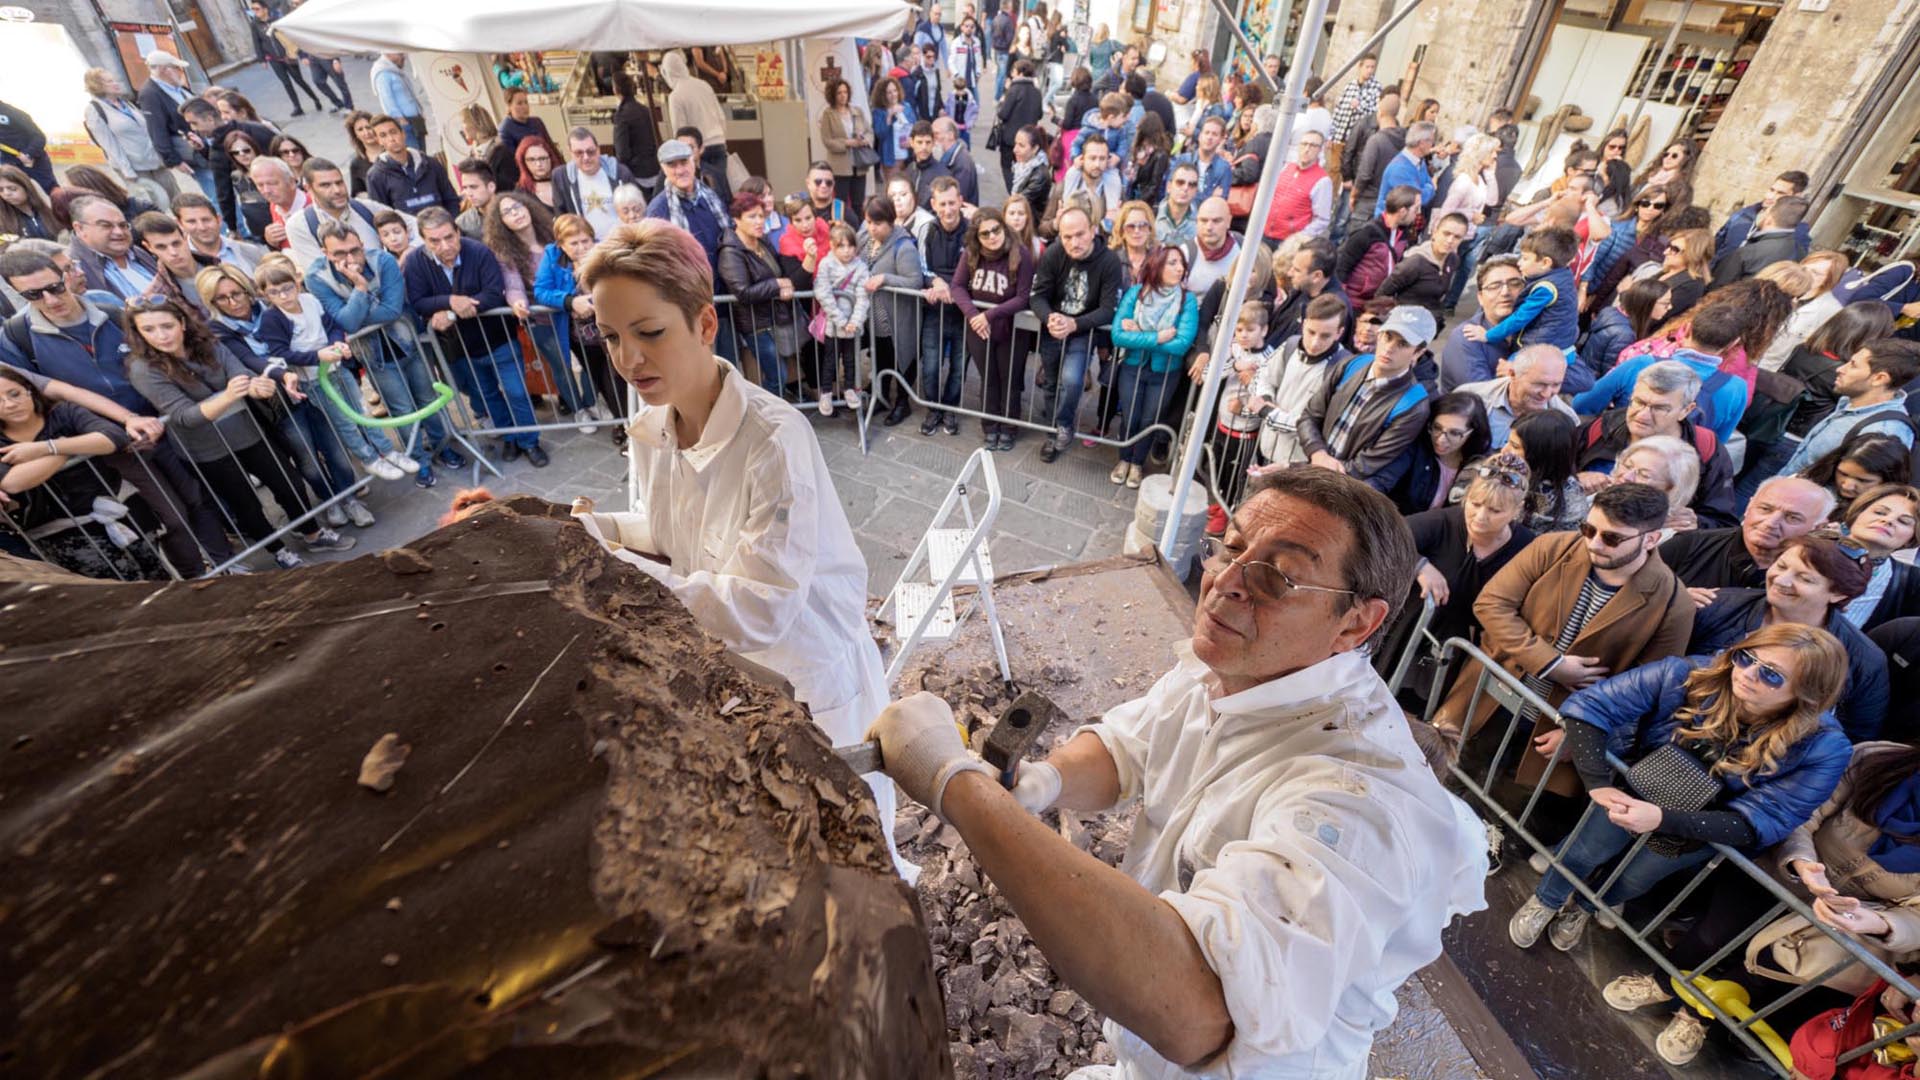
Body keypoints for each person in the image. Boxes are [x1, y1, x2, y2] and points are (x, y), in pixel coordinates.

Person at [866, 464, 1488, 1074]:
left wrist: (959, 789)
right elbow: (1128, 747)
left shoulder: (1357, 801)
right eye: (1232, 547)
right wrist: (1045, 782)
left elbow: (1201, 1010)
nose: (1227, 582)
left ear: (1356, 622)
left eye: (1279, 575)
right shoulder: (1236, 663)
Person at [569, 218, 912, 879]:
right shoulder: (649, 424)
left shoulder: (774, 441)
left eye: (649, 333)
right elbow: (665, 534)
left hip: (809, 680)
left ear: (704, 325)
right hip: (732, 679)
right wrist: (595, 530)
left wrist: (609, 564)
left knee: (847, 847)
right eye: (611, 337)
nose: (628, 360)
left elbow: (760, 608)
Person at [1508, 622, 1850, 974]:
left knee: (1633, 880)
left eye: (1772, 676)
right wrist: (1597, 783)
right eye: (1746, 658)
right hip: (1637, 790)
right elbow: (1593, 705)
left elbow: (1764, 821)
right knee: (1583, 851)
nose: (1747, 674)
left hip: (1699, 831)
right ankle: (1545, 901)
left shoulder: (1824, 747)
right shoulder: (1689, 673)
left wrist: (1661, 819)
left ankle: (1583, 907)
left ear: (1807, 694)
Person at [1437, 481, 1693, 781]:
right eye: (1589, 529)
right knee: (1438, 777)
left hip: (1554, 732)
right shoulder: (1553, 546)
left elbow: (1646, 690)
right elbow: (1492, 603)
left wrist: (1582, 735)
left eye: (1611, 538)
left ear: (1651, 539)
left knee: (1498, 816)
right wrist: (1551, 663)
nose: (1594, 543)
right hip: (1488, 698)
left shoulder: (1674, 604)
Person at [123, 293, 352, 568]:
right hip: (206, 449)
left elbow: (240, 373)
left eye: (167, 326)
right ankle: (278, 550)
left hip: (247, 431)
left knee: (287, 482)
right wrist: (232, 395)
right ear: (138, 333)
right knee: (246, 504)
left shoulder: (210, 344)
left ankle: (311, 532)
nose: (161, 336)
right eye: (148, 329)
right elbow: (185, 416)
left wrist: (258, 387)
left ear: (182, 323)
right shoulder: (143, 369)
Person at [1687, 533, 1888, 741]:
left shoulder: (1864, 659)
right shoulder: (1718, 605)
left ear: (1838, 594)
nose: (1781, 580)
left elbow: (1853, 736)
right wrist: (1675, 605)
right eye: (1781, 566)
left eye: (1804, 578)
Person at [304, 221, 462, 483]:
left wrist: (354, 310)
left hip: (408, 340)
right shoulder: (316, 278)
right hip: (373, 354)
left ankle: (443, 446)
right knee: (401, 409)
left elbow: (391, 310)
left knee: (427, 398)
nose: (350, 259)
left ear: (363, 246)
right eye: (340, 254)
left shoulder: (384, 261)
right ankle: (418, 459)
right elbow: (346, 323)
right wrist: (361, 288)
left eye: (355, 250)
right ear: (325, 253)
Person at [402, 207, 547, 466]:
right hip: (461, 348)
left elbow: (493, 294)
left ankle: (530, 442)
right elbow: (418, 301)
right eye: (434, 241)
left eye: (449, 237)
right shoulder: (415, 262)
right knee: (488, 395)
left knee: (516, 392)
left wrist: (453, 313)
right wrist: (450, 301)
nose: (445, 245)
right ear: (424, 241)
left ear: (458, 232)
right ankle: (509, 439)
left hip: (498, 338)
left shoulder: (478, 251)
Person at [0, 367, 169, 580]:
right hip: (62, 534)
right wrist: (69, 448)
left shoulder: (65, 412)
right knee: (117, 592)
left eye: (14, 394)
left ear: (29, 390)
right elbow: (12, 482)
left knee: (159, 577)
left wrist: (47, 448)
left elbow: (113, 437)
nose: (9, 404)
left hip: (121, 509)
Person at [1576, 360, 1737, 527]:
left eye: (1659, 408)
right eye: (1639, 402)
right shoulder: (1598, 430)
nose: (1643, 415)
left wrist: (1697, 523)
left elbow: (1724, 522)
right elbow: (1551, 483)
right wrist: (1574, 482)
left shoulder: (1707, 450)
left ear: (1686, 410)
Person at [1294, 305, 1435, 490]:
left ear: (1418, 353)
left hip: (1343, 489)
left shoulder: (1413, 404)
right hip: (1313, 468)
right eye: (1388, 337)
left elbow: (1367, 464)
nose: (1389, 348)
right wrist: (1317, 453)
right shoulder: (1352, 364)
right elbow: (1310, 415)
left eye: (1403, 344)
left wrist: (1318, 472)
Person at [1571, 300, 1753, 444]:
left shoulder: (1642, 364)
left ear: (1687, 328)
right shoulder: (1736, 389)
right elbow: (1714, 442)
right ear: (1732, 345)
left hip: (1613, 454)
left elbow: (1582, 404)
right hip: (1665, 476)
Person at [1407, 454, 1537, 648]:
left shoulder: (1528, 548)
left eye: (1495, 511)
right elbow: (1386, 536)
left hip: (1467, 651)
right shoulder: (1444, 522)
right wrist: (1420, 565)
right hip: (1409, 636)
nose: (1480, 517)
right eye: (1475, 504)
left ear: (1517, 511)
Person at [1031, 205, 1124, 464]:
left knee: (1072, 380)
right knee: (1049, 381)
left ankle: (1063, 424)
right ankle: (1054, 430)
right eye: (1067, 236)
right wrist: (1049, 317)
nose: (1074, 242)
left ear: (1093, 230)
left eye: (1080, 234)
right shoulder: (1053, 253)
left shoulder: (1109, 261)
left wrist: (1075, 324)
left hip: (1083, 330)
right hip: (1053, 327)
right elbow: (1037, 295)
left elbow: (1108, 309)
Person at [1107, 245, 1199, 487]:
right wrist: (1157, 337)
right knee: (1130, 416)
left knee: (1150, 419)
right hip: (1132, 366)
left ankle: (1137, 463)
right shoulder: (1136, 293)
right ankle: (1124, 459)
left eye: (1181, 263)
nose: (1180, 268)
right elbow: (1117, 335)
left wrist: (1141, 334)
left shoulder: (1187, 301)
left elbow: (1181, 344)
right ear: (1157, 265)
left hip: (1165, 372)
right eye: (1172, 262)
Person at [532, 213, 627, 442]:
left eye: (585, 241)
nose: (581, 247)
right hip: (580, 336)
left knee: (618, 378)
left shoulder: (603, 252)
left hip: (610, 330)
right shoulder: (552, 256)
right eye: (574, 243)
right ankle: (621, 423)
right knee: (599, 379)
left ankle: (630, 422)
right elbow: (541, 291)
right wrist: (569, 301)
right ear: (561, 244)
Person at [949, 207, 1034, 450]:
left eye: (995, 229)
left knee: (1009, 378)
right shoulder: (971, 254)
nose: (992, 236)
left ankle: (1008, 427)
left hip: (1011, 329)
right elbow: (957, 286)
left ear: (1003, 227)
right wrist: (974, 315)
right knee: (988, 378)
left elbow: (1023, 296)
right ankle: (990, 426)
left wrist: (989, 314)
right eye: (984, 233)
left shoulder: (1021, 254)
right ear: (977, 237)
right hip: (979, 328)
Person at [1664, 474, 1834, 594]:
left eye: (1792, 517)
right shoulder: (1690, 545)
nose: (1770, 523)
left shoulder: (1814, 581)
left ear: (1817, 528)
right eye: (1765, 509)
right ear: (1748, 506)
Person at [1781, 338, 1920, 477]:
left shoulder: (1882, 432)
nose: (1840, 369)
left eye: (1853, 365)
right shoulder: (1850, 403)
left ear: (1879, 378)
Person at [715, 191, 794, 395]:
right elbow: (743, 292)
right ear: (736, 220)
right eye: (752, 216)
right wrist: (776, 285)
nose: (759, 221)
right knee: (778, 376)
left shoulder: (763, 241)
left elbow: (779, 269)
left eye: (761, 216)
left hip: (775, 317)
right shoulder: (730, 251)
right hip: (755, 325)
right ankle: (763, 414)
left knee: (781, 374)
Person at [859, 195, 924, 428]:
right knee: (879, 357)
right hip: (873, 317)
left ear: (890, 221)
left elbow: (915, 281)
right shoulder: (864, 238)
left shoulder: (904, 246)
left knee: (900, 360)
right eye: (868, 222)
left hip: (897, 318)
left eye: (877, 223)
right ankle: (881, 396)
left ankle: (902, 403)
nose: (871, 228)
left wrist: (885, 278)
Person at [1463, 226, 1579, 354]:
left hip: (1541, 350)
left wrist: (1488, 335)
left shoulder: (1545, 288)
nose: (1519, 263)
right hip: (1564, 344)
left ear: (1545, 263)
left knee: (1511, 367)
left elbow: (1519, 318)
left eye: (1525, 258)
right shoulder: (1563, 275)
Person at [913, 178, 970, 435]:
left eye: (952, 202)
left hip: (963, 310)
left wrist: (951, 287)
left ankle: (950, 409)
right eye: (942, 204)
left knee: (959, 365)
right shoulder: (928, 230)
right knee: (931, 365)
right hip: (935, 310)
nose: (948, 210)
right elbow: (922, 267)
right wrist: (934, 281)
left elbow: (975, 270)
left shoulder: (971, 232)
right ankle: (933, 408)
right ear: (934, 204)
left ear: (960, 201)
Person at [82, 68, 181, 209]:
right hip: (134, 168)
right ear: (97, 86)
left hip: (155, 160)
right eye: (110, 81)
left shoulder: (125, 102)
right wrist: (127, 171)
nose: (116, 83)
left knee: (176, 198)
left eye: (115, 80)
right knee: (155, 206)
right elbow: (109, 145)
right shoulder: (95, 110)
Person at [1383, 391, 1493, 516]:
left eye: (1454, 433)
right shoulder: (1414, 447)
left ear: (1472, 433)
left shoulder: (1480, 466)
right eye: (1437, 428)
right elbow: (1385, 481)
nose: (1440, 439)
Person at [1453, 343, 1578, 448]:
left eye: (1556, 385)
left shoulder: (1568, 421)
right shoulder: (1470, 400)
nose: (1546, 394)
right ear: (1513, 374)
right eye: (1539, 384)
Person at [1839, 484, 1920, 630]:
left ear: (1912, 537)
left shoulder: (1913, 583)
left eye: (1903, 521)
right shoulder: (1805, 548)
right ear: (1858, 513)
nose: (1888, 521)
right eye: (1880, 512)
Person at [1438, 255, 1524, 392]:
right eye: (1494, 286)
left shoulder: (1540, 328)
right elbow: (1484, 396)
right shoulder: (1466, 337)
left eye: (1515, 284)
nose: (1505, 292)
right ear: (1480, 298)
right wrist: (1526, 374)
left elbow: (1571, 377)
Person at [644, 140, 730, 278]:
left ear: (693, 162)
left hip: (722, 284)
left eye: (684, 162)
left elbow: (729, 236)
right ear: (663, 168)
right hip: (687, 290)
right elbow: (654, 263)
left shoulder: (711, 196)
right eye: (671, 165)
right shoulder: (657, 211)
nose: (680, 171)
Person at [1376, 212, 1466, 324]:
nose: (1450, 241)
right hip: (1401, 324)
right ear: (1435, 232)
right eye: (1446, 234)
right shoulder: (1414, 262)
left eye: (1457, 237)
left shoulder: (1453, 260)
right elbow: (1382, 294)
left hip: (1425, 326)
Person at [65, 196, 159, 301]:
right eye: (106, 225)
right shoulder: (75, 271)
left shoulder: (137, 252)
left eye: (123, 225)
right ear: (80, 229)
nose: (119, 232)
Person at [551, 127, 637, 241]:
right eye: (579, 153)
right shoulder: (562, 177)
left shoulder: (619, 172)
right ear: (570, 153)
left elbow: (638, 208)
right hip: (587, 246)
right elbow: (561, 217)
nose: (586, 157)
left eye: (590, 151)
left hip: (621, 242)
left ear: (598, 150)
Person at [1336, 185, 1417, 304]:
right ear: (1402, 211)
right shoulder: (1367, 233)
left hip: (1376, 302)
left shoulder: (1403, 235)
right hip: (1353, 301)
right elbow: (1343, 267)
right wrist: (1340, 302)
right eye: (1416, 209)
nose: (1418, 213)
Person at [366, 114, 458, 217]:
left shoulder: (431, 164)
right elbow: (382, 216)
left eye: (393, 132)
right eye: (383, 135)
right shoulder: (376, 176)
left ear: (403, 134)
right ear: (379, 141)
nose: (391, 138)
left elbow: (451, 199)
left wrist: (450, 223)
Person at [1711, 195, 1811, 289]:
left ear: (1768, 218)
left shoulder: (1746, 253)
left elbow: (1716, 288)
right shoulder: (1800, 253)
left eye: (1765, 211)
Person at [1713, 170, 1813, 263]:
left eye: (1780, 193)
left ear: (1795, 197)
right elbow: (1716, 245)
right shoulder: (1742, 215)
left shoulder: (1797, 235)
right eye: (1771, 190)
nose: (1770, 196)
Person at [1582, 278, 1671, 381]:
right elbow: (1611, 374)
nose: (1670, 307)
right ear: (1647, 303)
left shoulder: (1611, 312)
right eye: (1666, 303)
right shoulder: (1625, 335)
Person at [246, 0, 325, 117]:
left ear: (265, 9)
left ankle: (315, 99)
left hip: (288, 56)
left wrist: (300, 54)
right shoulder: (255, 24)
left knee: (299, 81)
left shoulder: (278, 20)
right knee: (286, 83)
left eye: (257, 9)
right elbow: (257, 42)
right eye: (253, 9)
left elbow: (290, 38)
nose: (254, 12)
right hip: (273, 59)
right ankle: (297, 107)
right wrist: (262, 59)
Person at [1802, 433, 1914, 514]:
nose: (1847, 485)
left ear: (1888, 481)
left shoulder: (1887, 515)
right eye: (1842, 473)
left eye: (1863, 480)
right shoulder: (1809, 481)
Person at [1261, 130, 1332, 249]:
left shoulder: (1323, 181)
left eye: (1313, 145)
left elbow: (1322, 219)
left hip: (1288, 243)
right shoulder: (1285, 168)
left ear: (1320, 150)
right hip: (1264, 233)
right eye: (1304, 144)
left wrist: (1300, 238)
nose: (1307, 149)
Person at [130, 211, 210, 315]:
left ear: (185, 237)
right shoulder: (157, 297)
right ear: (148, 247)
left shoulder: (217, 264)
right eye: (161, 247)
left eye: (176, 243)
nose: (173, 252)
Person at [816, 79, 876, 215]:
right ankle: (838, 228)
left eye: (845, 92)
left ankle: (859, 229)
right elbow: (827, 141)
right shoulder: (828, 114)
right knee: (839, 201)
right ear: (833, 95)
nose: (843, 95)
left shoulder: (857, 111)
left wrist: (865, 140)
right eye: (839, 93)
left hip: (859, 163)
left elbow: (869, 131)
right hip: (840, 166)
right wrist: (846, 143)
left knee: (858, 202)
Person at [993, 60, 1044, 191]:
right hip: (1029, 138)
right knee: (1025, 165)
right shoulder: (1036, 92)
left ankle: (1014, 192)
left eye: (1013, 71)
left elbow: (1003, 114)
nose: (1011, 74)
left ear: (1020, 73)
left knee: (1006, 165)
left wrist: (1002, 99)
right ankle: (1023, 190)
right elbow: (1039, 115)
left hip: (1010, 137)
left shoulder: (1013, 90)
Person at [1058, 132, 1123, 231]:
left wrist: (1117, 223)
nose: (1097, 164)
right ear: (1082, 159)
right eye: (1092, 158)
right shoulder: (1063, 186)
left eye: (1102, 159)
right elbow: (1044, 228)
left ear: (1108, 160)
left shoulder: (1116, 189)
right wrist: (1056, 223)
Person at [246, 156, 310, 252]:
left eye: (272, 183)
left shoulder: (314, 206)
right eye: (260, 185)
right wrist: (272, 241)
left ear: (291, 182)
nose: (266, 191)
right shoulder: (275, 205)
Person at [370, 54, 426, 150]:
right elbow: (387, 100)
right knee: (414, 153)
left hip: (416, 120)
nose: (403, 56)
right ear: (389, 54)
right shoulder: (382, 74)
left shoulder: (395, 71)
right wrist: (401, 120)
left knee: (423, 155)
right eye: (399, 54)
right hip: (405, 122)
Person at [0, 164, 58, 241]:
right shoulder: (3, 220)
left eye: (12, 188)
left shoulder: (50, 211)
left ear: (26, 187)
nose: (6, 193)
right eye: (1, 190)